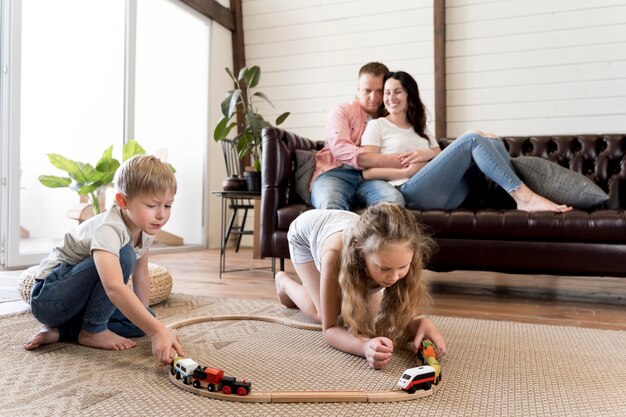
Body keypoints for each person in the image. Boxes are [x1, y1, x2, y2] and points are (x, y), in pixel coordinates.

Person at [24, 154, 184, 366]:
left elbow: (141, 274)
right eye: (152, 205)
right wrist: (156, 331)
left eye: (168, 206)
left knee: (144, 318)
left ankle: (64, 332)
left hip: (77, 304)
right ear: (122, 201)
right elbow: (114, 287)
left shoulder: (146, 229)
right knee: (125, 255)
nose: (161, 215)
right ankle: (93, 330)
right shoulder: (109, 228)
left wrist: (146, 321)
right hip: (51, 298)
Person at [360, 71, 572, 212]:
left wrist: (426, 155)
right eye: (387, 93)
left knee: (491, 141)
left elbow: (437, 155)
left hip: (445, 195)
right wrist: (406, 172)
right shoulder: (377, 126)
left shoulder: (421, 127)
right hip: (411, 191)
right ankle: (525, 198)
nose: (391, 97)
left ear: (409, 95)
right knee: (472, 138)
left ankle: (516, 197)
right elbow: (367, 172)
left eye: (397, 91)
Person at [274, 203, 446, 369]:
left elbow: (391, 316)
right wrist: (364, 347)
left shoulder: (396, 251)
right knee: (325, 315)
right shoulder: (333, 256)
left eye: (402, 267)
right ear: (362, 256)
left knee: (371, 320)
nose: (394, 277)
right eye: (384, 268)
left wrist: (418, 322)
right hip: (305, 235)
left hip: (349, 229)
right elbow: (330, 330)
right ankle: (284, 283)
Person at [309, 62, 406, 210]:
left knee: (393, 202)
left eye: (379, 91)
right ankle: (341, 233)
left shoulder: (394, 117)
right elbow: (340, 149)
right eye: (367, 90)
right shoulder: (342, 110)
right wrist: (394, 161)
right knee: (330, 203)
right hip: (336, 173)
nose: (373, 97)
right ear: (358, 89)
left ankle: (373, 233)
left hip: (374, 177)